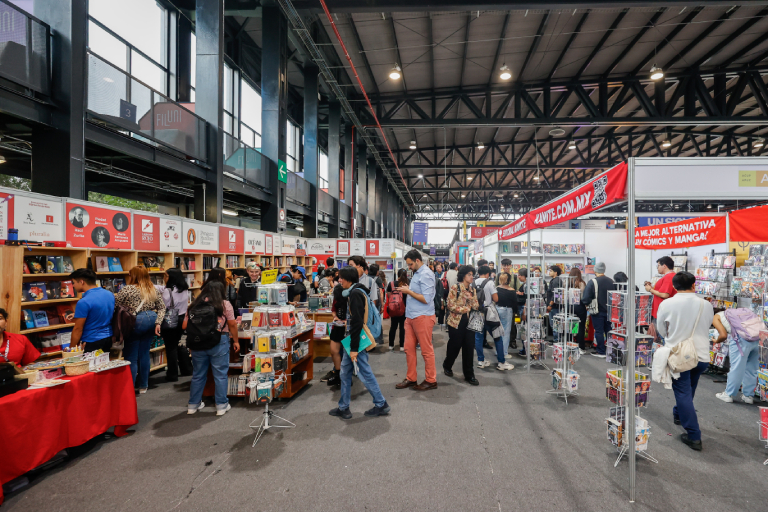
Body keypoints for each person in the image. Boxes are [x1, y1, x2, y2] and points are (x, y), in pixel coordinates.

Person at [656, 271, 713, 451]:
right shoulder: (706, 304)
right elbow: (708, 325)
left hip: (679, 355)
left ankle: (694, 435)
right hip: (702, 355)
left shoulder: (667, 304)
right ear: (694, 285)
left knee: (683, 393)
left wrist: (670, 338)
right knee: (689, 389)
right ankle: (679, 414)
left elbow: (661, 329)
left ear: (674, 286)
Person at [329, 267, 390, 419]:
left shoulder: (355, 294)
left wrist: (354, 349)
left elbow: (356, 323)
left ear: (348, 278)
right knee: (344, 372)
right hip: (352, 340)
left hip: (355, 342)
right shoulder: (358, 291)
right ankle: (343, 407)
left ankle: (381, 403)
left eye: (341, 278)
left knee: (364, 373)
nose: (339, 280)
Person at [185, 282, 239, 416]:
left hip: (197, 343)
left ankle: (193, 405)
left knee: (198, 375)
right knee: (220, 374)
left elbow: (185, 325)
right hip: (219, 340)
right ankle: (221, 405)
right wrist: (236, 340)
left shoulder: (194, 305)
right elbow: (232, 324)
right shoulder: (224, 304)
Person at [115, 266, 166, 393]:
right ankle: (143, 385)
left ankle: (130, 388)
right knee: (144, 353)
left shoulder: (127, 289)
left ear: (134, 276)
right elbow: (162, 307)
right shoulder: (152, 289)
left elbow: (116, 305)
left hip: (135, 321)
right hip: (151, 320)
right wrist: (158, 322)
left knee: (131, 356)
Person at [395, 249, 438, 391]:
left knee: (426, 350)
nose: (409, 267)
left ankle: (431, 380)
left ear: (418, 261)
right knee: (408, 349)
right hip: (411, 316)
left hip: (423, 316)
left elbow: (426, 299)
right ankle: (411, 378)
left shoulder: (426, 274)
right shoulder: (417, 274)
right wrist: (409, 289)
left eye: (410, 264)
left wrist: (409, 292)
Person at [714, 308, 762, 404]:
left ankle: (728, 394)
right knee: (752, 369)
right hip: (757, 337)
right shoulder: (736, 312)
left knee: (736, 368)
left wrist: (716, 341)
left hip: (741, 340)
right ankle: (748, 396)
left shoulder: (716, 317)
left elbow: (723, 335)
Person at [443, 265, 480, 385]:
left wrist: (470, 300)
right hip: (456, 322)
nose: (471, 277)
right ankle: (447, 365)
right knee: (455, 346)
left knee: (469, 348)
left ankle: (469, 374)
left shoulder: (473, 290)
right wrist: (465, 309)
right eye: (469, 275)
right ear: (463, 275)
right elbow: (450, 305)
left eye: (472, 275)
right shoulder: (456, 287)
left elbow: (476, 306)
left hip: (469, 323)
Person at [474, 265, 513, 371]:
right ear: (487, 274)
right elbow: (495, 298)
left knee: (478, 338)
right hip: (489, 313)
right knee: (497, 336)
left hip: (477, 313)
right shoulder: (489, 283)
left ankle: (481, 361)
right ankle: (501, 362)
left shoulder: (473, 282)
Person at [68, 268, 115, 353]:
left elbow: (78, 329)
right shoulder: (109, 294)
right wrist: (78, 314)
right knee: (103, 365)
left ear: (82, 282)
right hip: (108, 338)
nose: (73, 286)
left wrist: (71, 349)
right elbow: (101, 310)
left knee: (90, 366)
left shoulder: (84, 302)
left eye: (74, 283)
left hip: (92, 341)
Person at [158, 268, 192, 382]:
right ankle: (186, 369)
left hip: (171, 318)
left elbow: (164, 306)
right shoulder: (184, 289)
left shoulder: (168, 291)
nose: (164, 277)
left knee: (170, 347)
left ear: (171, 277)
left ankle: (172, 374)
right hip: (182, 318)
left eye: (166, 276)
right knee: (180, 344)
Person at [580, 262, 614, 357]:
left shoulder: (593, 282)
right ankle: (611, 350)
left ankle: (601, 351)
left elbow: (586, 297)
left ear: (595, 270)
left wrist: (586, 304)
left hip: (597, 310)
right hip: (610, 311)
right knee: (609, 331)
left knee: (599, 331)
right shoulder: (611, 281)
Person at [320, 281, 347, 387]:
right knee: (334, 350)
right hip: (337, 326)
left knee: (347, 353)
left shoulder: (351, 298)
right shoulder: (337, 298)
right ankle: (338, 373)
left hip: (348, 328)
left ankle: (345, 376)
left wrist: (346, 321)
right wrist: (335, 317)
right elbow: (333, 310)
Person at [645, 256, 677, 341]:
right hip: (660, 311)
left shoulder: (669, 277)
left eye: (658, 265)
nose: (657, 268)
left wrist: (650, 289)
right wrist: (651, 288)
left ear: (664, 266)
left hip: (662, 312)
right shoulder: (668, 276)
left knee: (661, 337)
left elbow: (665, 294)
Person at [386, 269, 408, 351]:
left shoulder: (392, 284)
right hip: (404, 309)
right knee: (402, 327)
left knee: (393, 326)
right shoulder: (407, 284)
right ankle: (402, 345)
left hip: (393, 308)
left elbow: (388, 295)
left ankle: (391, 345)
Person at [496, 272, 518, 353]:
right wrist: (516, 313)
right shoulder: (512, 291)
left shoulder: (497, 288)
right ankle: (504, 352)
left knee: (498, 331)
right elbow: (515, 303)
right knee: (506, 332)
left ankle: (498, 351)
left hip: (497, 309)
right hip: (507, 310)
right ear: (509, 280)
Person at [569, 268, 588, 354]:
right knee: (581, 327)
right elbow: (583, 297)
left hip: (570, 306)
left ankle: (571, 344)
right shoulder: (582, 283)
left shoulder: (568, 283)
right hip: (580, 306)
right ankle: (581, 347)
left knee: (571, 326)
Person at [546, 265, 564, 343]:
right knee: (554, 323)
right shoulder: (554, 280)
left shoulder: (556, 281)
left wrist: (550, 304)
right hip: (555, 306)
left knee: (555, 323)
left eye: (551, 271)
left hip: (554, 306)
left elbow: (556, 294)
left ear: (555, 272)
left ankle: (557, 340)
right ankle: (556, 339)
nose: (549, 272)